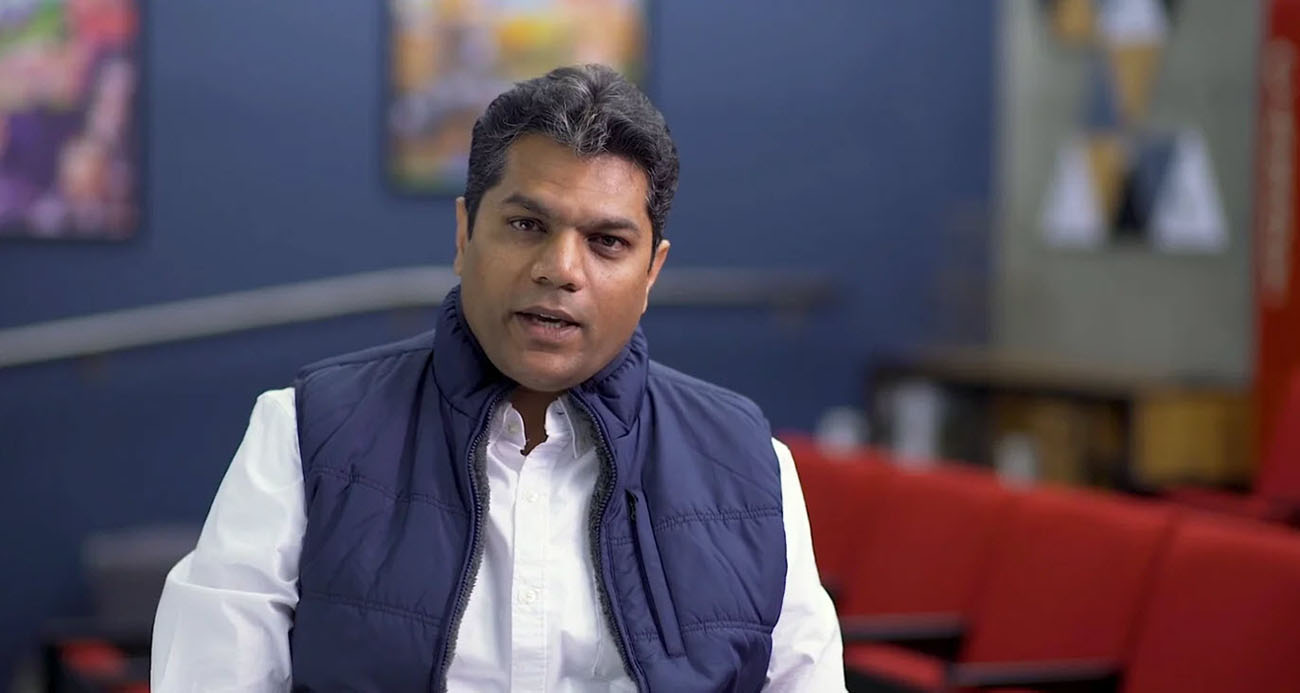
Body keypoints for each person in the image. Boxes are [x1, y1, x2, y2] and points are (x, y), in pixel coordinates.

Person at [151, 64, 845, 692]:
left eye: (607, 242)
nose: (560, 269)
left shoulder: (752, 465)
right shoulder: (305, 432)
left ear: (651, 272)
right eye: (526, 224)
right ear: (464, 235)